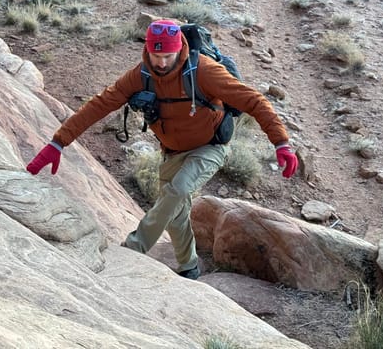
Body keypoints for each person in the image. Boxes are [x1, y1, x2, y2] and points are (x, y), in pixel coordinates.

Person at [26, 19, 298, 280]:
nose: (162, 62)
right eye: (157, 57)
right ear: (147, 49)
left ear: (180, 47)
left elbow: (253, 100)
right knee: (175, 214)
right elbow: (99, 105)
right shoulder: (140, 75)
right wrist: (57, 142)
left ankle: (135, 246)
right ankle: (189, 266)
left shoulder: (203, 71)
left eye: (169, 55)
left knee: (178, 190)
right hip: (171, 151)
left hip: (211, 147)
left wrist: (281, 143)